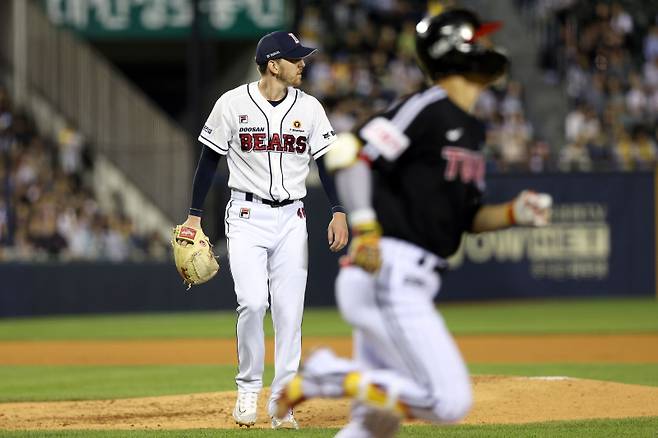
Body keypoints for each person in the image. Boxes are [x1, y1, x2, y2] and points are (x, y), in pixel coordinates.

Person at [274, 9, 552, 437]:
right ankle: (325, 376)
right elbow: (351, 153)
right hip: (389, 271)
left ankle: (331, 379)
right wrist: (365, 227)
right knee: (448, 400)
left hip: (404, 277)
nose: (487, 47)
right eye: (478, 38)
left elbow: (470, 220)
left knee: (375, 426)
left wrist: (515, 213)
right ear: (456, 48)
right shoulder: (429, 108)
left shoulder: (472, 129)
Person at [176, 31, 349, 429]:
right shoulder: (232, 104)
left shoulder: (311, 108)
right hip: (246, 216)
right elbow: (208, 162)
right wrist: (193, 216)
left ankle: (282, 402)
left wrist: (338, 210)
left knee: (289, 314)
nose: (302, 63)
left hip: (293, 219)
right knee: (253, 302)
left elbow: (326, 163)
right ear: (273, 64)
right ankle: (248, 389)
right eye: (295, 58)